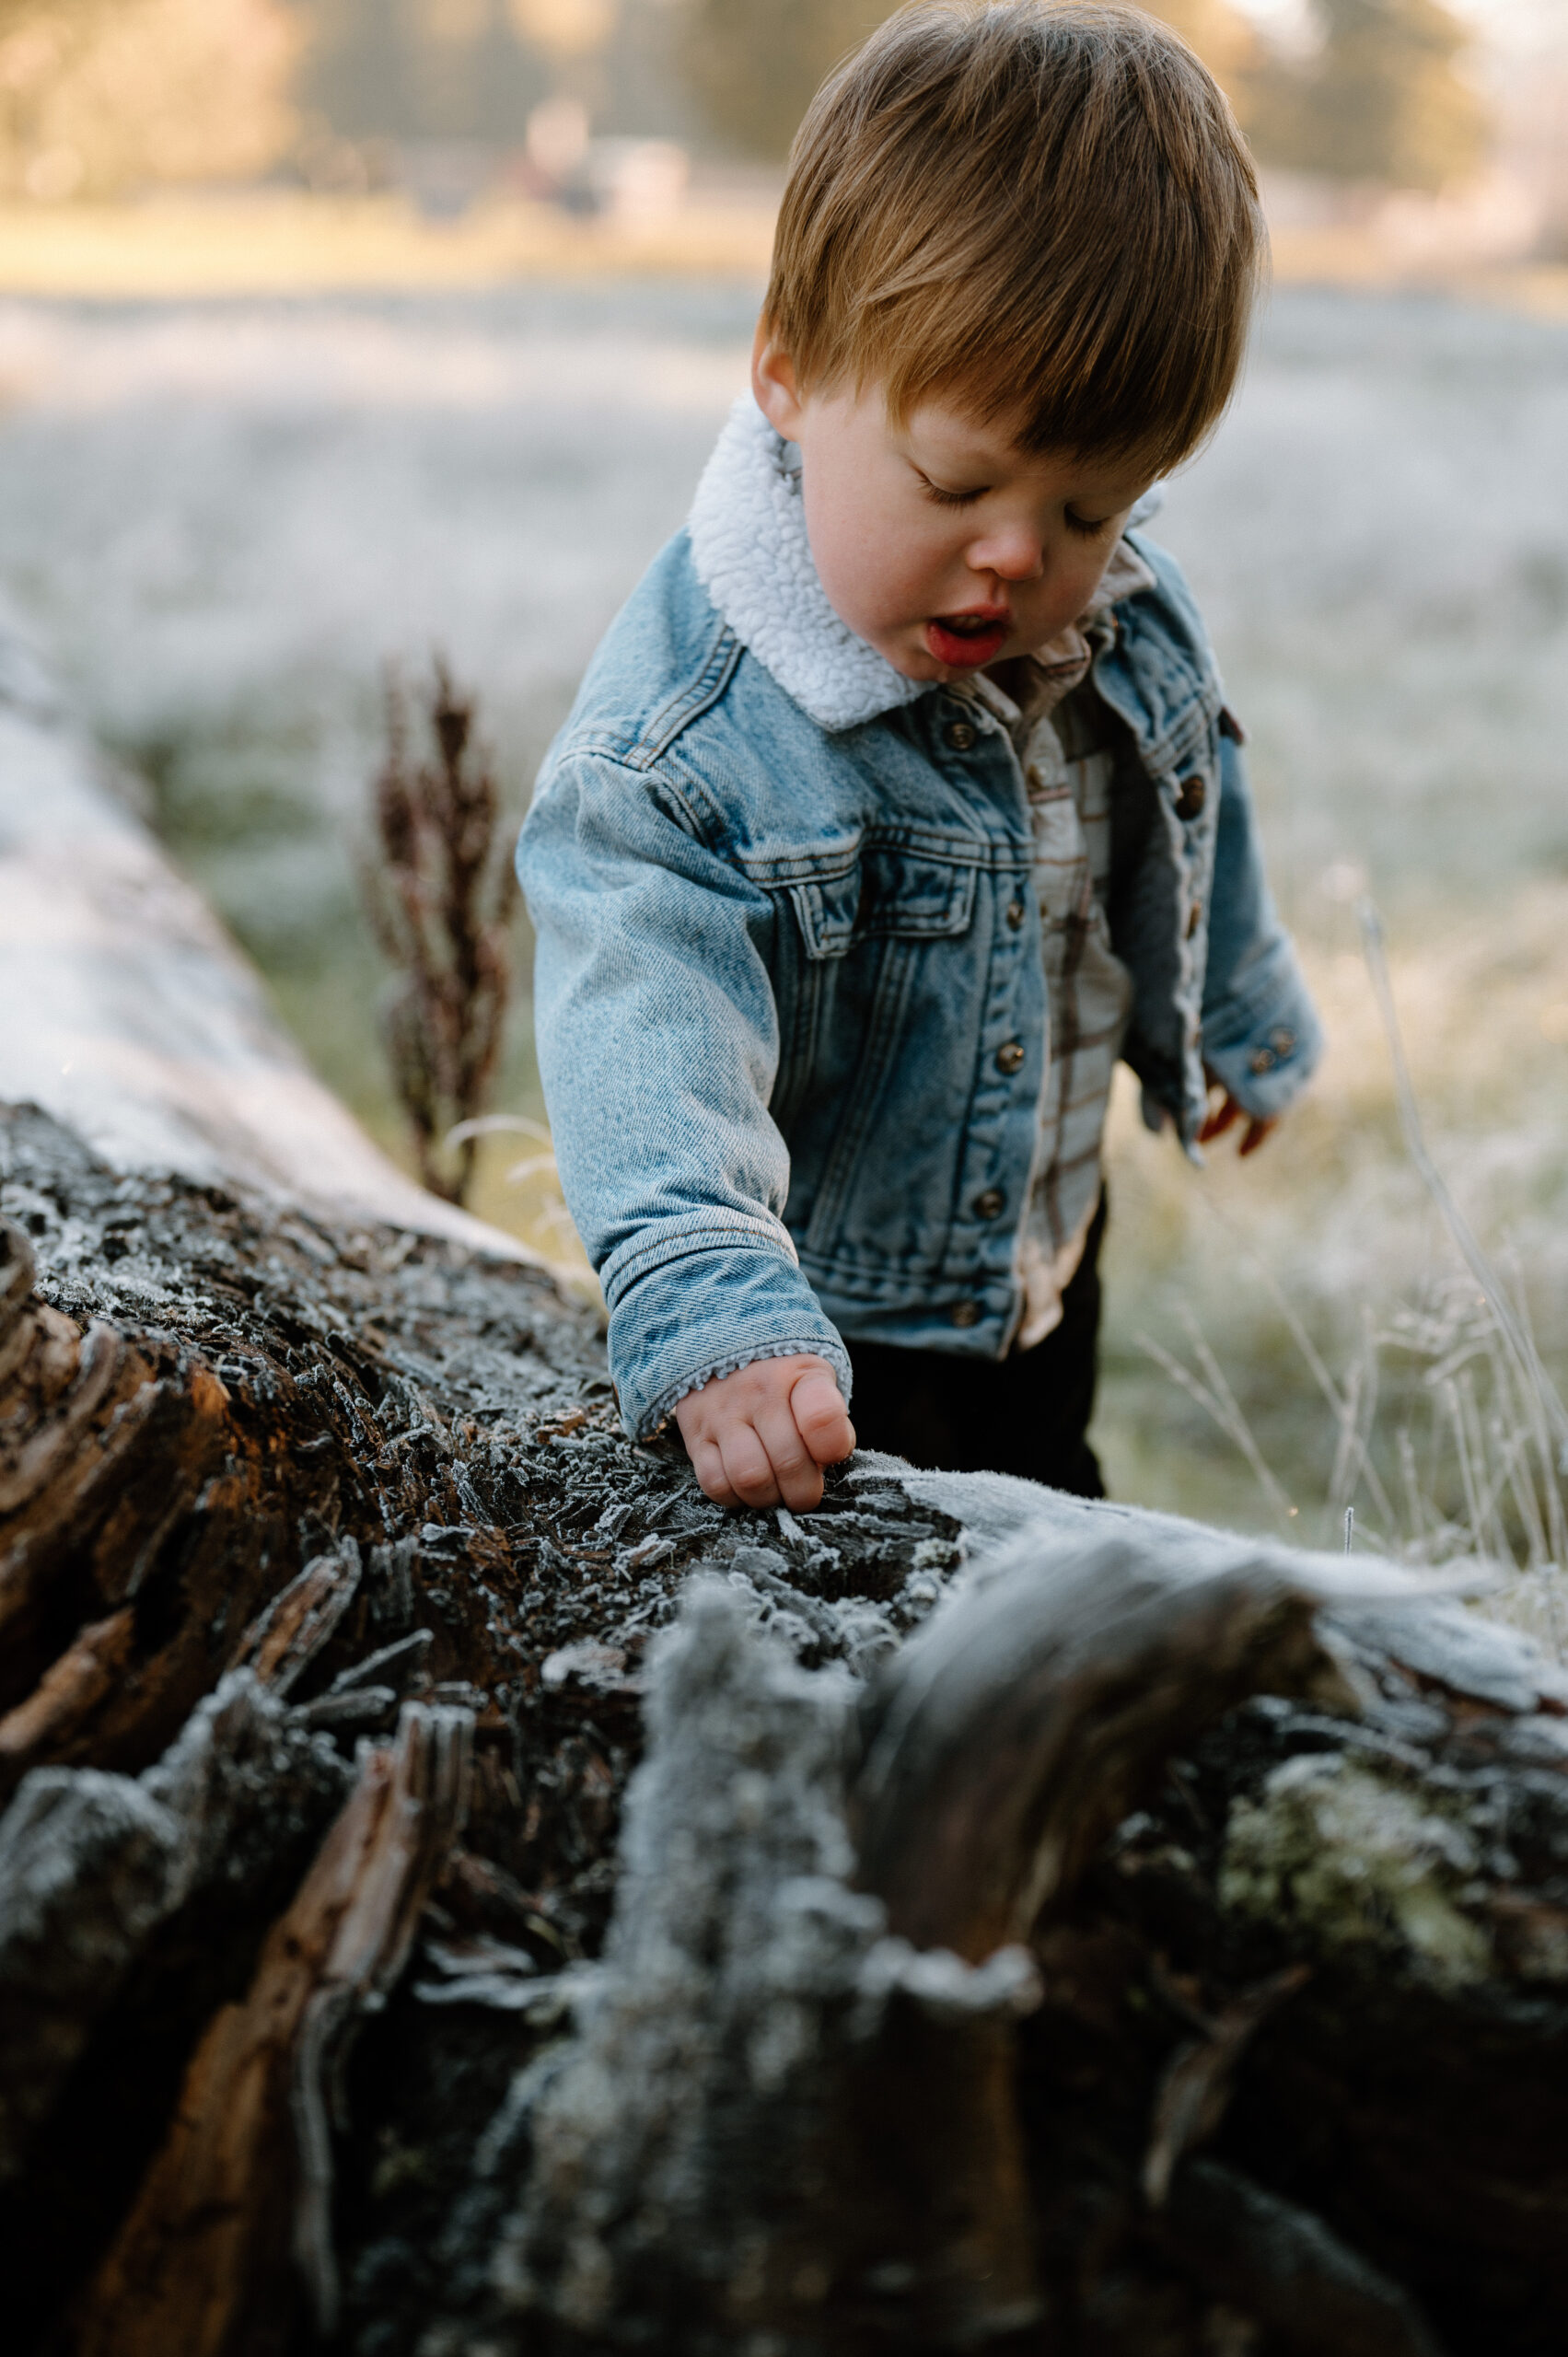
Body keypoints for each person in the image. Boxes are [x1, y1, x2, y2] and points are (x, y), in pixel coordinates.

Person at [518, 0, 1321, 1512]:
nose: (1021, 553)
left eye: (1094, 508)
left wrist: (1238, 1001)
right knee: (847, 1625)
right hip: (812, 1337)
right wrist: (711, 1302)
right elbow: (645, 1018)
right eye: (958, 481)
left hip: (1039, 1250)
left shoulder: (1121, 615)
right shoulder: (690, 747)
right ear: (786, 372)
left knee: (1051, 1534)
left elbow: (1183, 793)